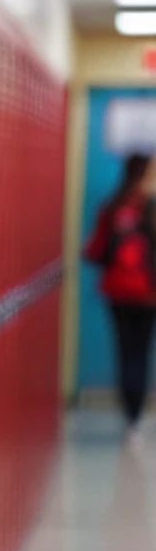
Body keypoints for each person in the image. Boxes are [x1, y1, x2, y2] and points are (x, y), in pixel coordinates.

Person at [85, 151, 156, 433]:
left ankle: (130, 416)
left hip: (117, 291)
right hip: (148, 294)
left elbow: (95, 251)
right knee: (141, 351)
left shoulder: (112, 207)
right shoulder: (150, 209)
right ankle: (136, 416)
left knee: (125, 351)